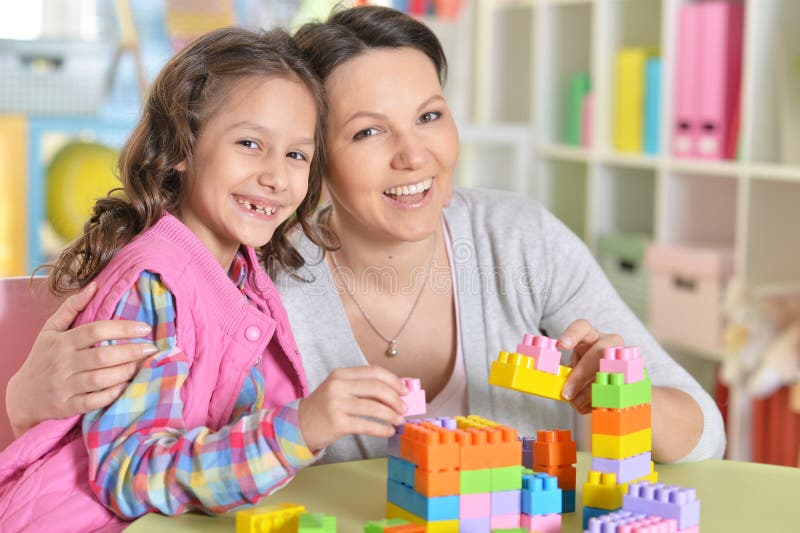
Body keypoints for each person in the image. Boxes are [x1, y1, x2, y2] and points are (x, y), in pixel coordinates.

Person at [6, 7, 725, 470]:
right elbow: (151, 460)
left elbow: (709, 437)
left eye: (431, 116)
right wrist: (23, 404)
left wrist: (621, 397)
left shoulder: (519, 240)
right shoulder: (256, 281)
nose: (415, 157)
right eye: (368, 131)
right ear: (311, 154)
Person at [0, 26, 410, 531]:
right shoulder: (153, 285)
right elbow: (130, 474)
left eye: (296, 155)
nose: (276, 176)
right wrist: (299, 427)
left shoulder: (243, 274)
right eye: (250, 143)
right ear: (182, 147)